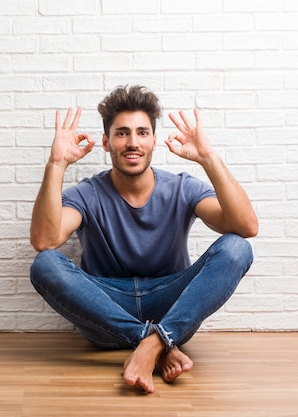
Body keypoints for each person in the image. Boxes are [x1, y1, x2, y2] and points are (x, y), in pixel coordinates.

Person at [29, 85, 258, 394]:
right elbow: (44, 241)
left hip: (171, 306)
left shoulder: (181, 188)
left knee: (236, 247)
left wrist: (208, 157)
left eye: (141, 132)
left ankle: (154, 342)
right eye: (122, 133)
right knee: (45, 264)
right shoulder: (86, 193)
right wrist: (56, 164)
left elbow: (246, 227)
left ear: (153, 140)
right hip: (107, 309)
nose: (132, 142)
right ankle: (156, 341)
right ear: (107, 143)